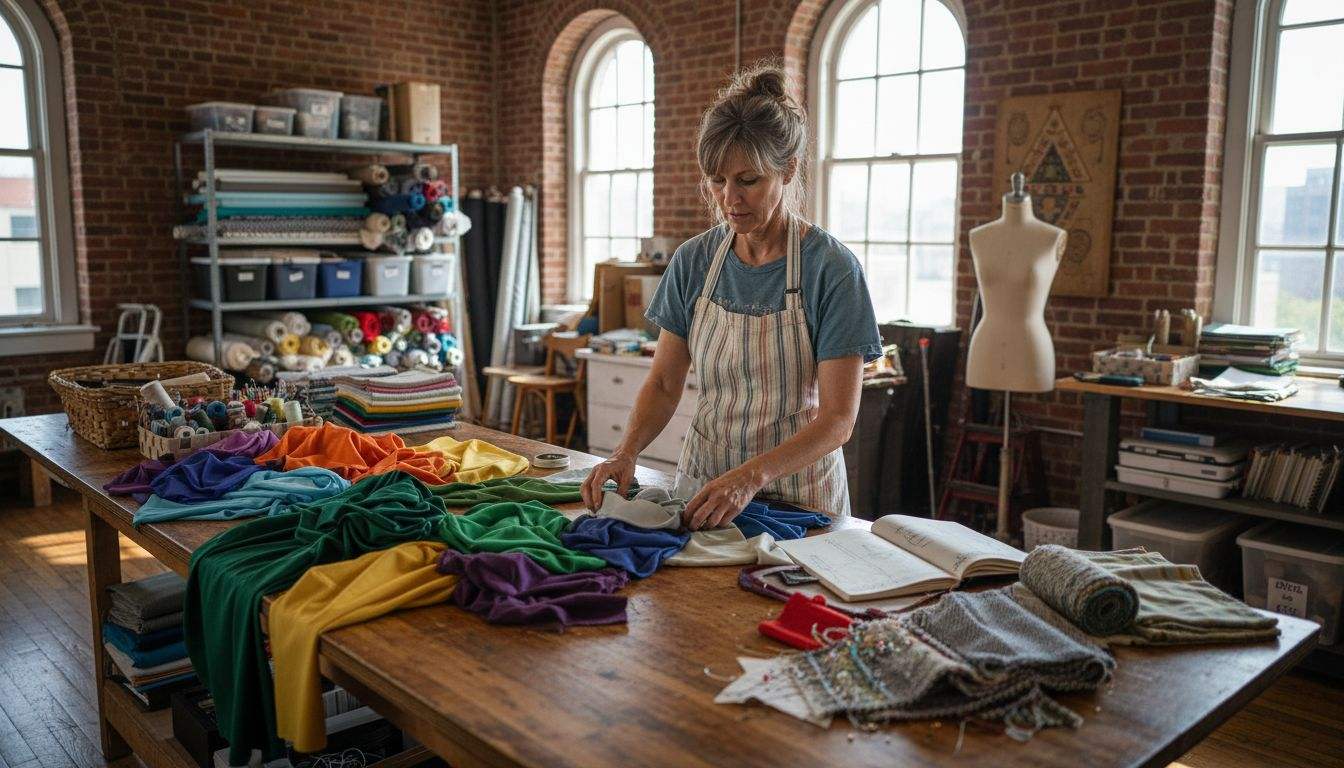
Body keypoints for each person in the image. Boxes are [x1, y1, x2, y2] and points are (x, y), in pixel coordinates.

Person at [581, 62, 882, 530]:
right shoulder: (694, 261)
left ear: (787, 171)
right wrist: (626, 452)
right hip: (705, 485)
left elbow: (838, 419)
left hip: (799, 499)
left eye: (748, 180)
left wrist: (750, 477)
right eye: (717, 180)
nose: (729, 199)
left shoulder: (832, 270)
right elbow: (663, 383)